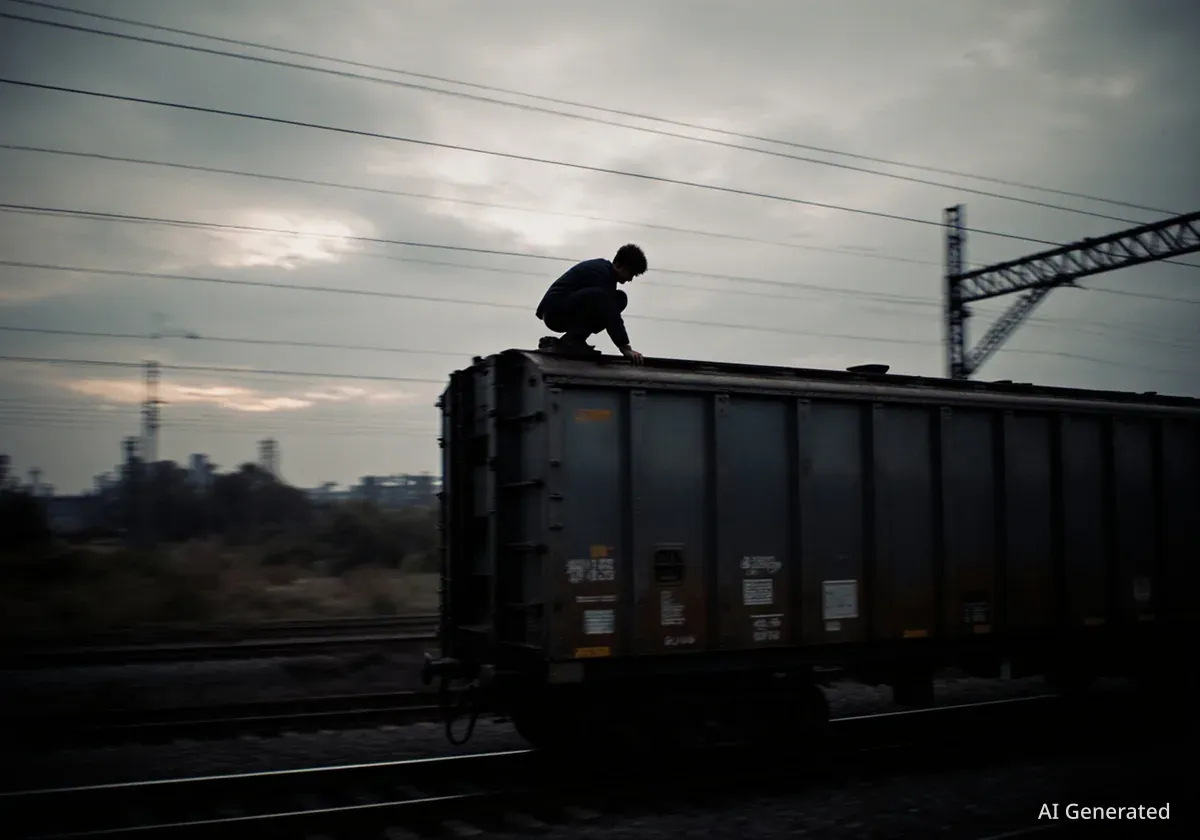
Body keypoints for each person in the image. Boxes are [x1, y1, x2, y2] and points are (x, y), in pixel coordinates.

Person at [536, 244, 647, 364]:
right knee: (607, 301)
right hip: (555, 311)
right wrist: (624, 347)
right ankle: (571, 341)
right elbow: (610, 313)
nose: (630, 279)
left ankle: (573, 340)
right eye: (631, 273)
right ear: (618, 264)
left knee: (619, 299)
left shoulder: (607, 276)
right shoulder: (600, 273)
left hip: (563, 309)